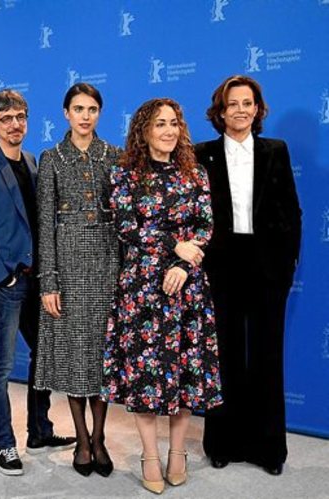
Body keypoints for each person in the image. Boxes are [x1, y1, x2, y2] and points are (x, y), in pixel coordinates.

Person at [100, 98, 223, 494]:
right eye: (159, 124)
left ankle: (177, 452)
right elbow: (126, 227)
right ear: (144, 130)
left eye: (174, 123)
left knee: (185, 369)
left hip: (187, 285)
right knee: (146, 375)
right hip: (143, 288)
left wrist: (184, 265)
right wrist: (174, 245)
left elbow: (204, 226)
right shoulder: (124, 174)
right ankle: (150, 454)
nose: (169, 131)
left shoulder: (195, 173)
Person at [196, 75, 302, 476]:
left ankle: (268, 448)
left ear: (257, 109)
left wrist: (287, 264)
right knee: (223, 356)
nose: (240, 109)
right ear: (220, 111)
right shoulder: (201, 155)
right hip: (220, 267)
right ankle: (222, 443)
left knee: (267, 356)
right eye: (233, 103)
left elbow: (291, 211)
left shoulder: (276, 150)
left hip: (267, 266)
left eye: (247, 103)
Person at [0, 89, 72, 476]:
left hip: (35, 282)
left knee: (43, 358)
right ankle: (5, 444)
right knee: (0, 367)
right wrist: (2, 276)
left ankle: (39, 431)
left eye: (21, 117)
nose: (15, 124)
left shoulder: (31, 161)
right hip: (3, 286)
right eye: (6, 118)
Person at [35, 83, 120, 478]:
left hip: (107, 264)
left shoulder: (115, 156)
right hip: (67, 267)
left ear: (99, 113)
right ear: (66, 113)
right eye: (78, 109)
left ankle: (99, 438)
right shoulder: (51, 158)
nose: (85, 116)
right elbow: (44, 225)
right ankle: (82, 440)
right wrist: (48, 282)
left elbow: (125, 219)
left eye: (92, 109)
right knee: (74, 356)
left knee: (101, 357)